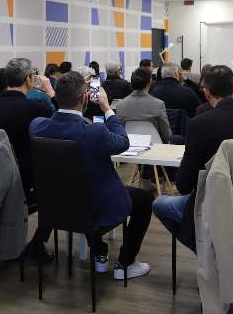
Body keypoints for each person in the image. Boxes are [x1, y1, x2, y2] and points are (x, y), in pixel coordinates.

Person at [30, 72, 154, 280]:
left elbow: (60, 119)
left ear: (56, 96)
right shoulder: (95, 132)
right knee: (144, 200)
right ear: (84, 98)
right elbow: (123, 142)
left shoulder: (37, 126)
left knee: (82, 190)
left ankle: (99, 251)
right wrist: (106, 108)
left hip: (57, 208)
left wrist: (58, 96)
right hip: (95, 209)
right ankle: (126, 263)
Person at [152, 65, 233, 251]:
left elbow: (184, 185)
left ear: (206, 92)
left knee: (160, 203)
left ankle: (209, 253)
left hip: (213, 204)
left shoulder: (199, 125)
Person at [0, 58, 53, 204]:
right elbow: (60, 127)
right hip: (24, 182)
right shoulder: (36, 109)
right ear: (28, 79)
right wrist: (51, 92)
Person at [115, 68, 172, 142]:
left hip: (129, 146)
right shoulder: (159, 105)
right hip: (154, 146)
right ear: (149, 82)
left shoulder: (120, 105)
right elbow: (167, 135)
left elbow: (118, 132)